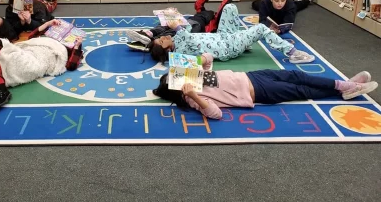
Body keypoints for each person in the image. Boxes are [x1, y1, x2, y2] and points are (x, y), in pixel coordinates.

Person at [153, 69, 378, 120]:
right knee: (300, 91)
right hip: (257, 91)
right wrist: (194, 94)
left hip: (251, 75)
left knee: (295, 75)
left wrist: (203, 60)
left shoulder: (194, 76)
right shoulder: (191, 98)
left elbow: (211, 62)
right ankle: (347, 90)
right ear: (177, 90)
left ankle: (342, 84)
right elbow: (215, 114)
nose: (181, 78)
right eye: (176, 80)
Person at [148, 2, 315, 64]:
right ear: (168, 50)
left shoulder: (177, 38)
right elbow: (190, 38)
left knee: (230, 7)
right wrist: (177, 26)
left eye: (160, 37)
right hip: (228, 46)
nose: (163, 37)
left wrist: (175, 17)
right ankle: (293, 53)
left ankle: (245, 41)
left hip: (222, 37)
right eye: (162, 41)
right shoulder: (179, 53)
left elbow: (189, 30)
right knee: (262, 28)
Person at [0, 19, 84, 110]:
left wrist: (77, 46)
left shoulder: (64, 50)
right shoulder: (44, 39)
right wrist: (48, 24)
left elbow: (72, 65)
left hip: (34, 61)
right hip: (26, 52)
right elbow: (32, 37)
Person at [126, 0, 234, 52]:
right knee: (168, 24)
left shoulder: (214, 21)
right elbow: (198, 4)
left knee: (173, 32)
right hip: (187, 23)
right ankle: (149, 35)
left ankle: (150, 42)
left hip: (195, 31)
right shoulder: (202, 12)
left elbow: (221, 10)